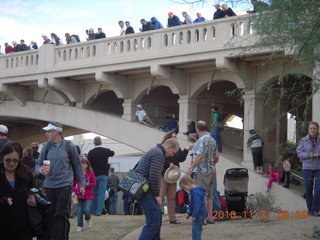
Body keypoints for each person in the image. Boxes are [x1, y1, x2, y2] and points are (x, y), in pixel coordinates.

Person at [35, 122, 85, 240]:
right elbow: (37, 164)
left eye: (48, 131)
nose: (46, 133)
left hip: (65, 184)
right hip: (50, 185)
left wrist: (82, 184)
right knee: (52, 214)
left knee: (60, 214)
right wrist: (39, 170)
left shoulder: (69, 146)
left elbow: (77, 166)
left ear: (56, 132)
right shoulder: (46, 146)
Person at [136, 138, 180, 240]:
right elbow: (154, 176)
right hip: (145, 190)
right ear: (169, 147)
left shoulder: (155, 151)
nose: (172, 155)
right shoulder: (159, 154)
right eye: (173, 152)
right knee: (153, 223)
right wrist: (157, 195)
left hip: (142, 188)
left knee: (156, 218)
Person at [0, 141, 36, 239]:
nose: (11, 163)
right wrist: (3, 201)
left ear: (19, 159)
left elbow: (33, 190)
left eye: (15, 160)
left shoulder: (26, 173)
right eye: (8, 160)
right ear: (2, 158)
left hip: (24, 228)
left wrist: (32, 198)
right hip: (2, 228)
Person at [186, 121, 216, 224]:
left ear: (197, 129)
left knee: (201, 195)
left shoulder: (200, 141)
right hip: (211, 170)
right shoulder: (212, 140)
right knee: (210, 195)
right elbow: (215, 156)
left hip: (201, 171)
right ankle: (210, 217)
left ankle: (202, 218)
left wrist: (190, 169)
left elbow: (199, 156)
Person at [160, 131, 192, 224]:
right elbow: (161, 160)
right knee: (160, 197)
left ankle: (172, 218)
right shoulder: (163, 148)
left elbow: (181, 158)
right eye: (174, 136)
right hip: (163, 175)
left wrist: (186, 150)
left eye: (176, 137)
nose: (176, 138)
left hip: (173, 176)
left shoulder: (177, 147)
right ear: (168, 138)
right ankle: (157, 217)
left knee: (171, 197)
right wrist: (168, 164)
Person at [297, 121, 320, 216]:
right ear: (308, 129)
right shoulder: (304, 140)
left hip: (319, 168)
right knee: (308, 189)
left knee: (318, 189)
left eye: (314, 128)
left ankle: (315, 209)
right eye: (311, 128)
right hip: (307, 168)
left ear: (318, 129)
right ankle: (310, 209)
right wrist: (311, 155)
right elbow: (299, 153)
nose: (312, 130)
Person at [87, 136, 115, 216]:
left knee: (94, 193)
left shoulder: (91, 152)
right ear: (101, 142)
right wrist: (109, 151)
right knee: (101, 194)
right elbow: (112, 153)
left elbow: (89, 164)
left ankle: (94, 211)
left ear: (94, 143)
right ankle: (99, 212)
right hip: (103, 175)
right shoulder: (106, 151)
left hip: (94, 175)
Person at [179, 175, 207, 240]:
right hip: (200, 213)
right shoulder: (194, 192)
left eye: (185, 188)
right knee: (196, 230)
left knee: (196, 231)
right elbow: (192, 204)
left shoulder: (195, 192)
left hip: (199, 214)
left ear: (188, 184)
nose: (185, 190)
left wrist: (194, 215)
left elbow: (197, 205)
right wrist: (189, 214)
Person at [73, 156, 96, 232]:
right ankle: (79, 225)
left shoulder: (91, 173)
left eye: (84, 164)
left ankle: (88, 218)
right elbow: (74, 183)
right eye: (81, 164)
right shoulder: (77, 173)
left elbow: (94, 183)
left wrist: (88, 184)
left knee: (87, 210)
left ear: (87, 165)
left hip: (88, 194)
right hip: (78, 194)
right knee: (79, 211)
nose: (82, 165)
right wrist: (73, 191)